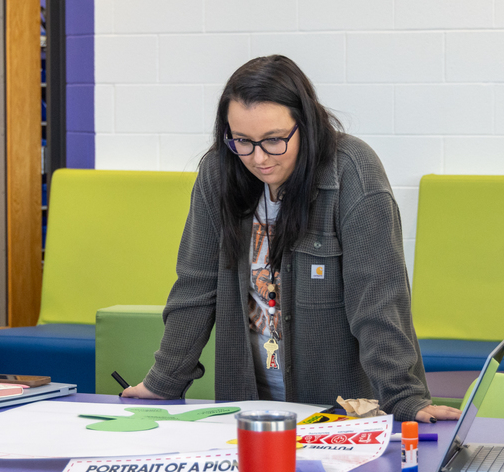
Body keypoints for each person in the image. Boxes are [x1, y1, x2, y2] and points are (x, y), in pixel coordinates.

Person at [123, 55, 456, 423]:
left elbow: (377, 300)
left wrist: (404, 398)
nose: (259, 158)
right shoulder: (219, 173)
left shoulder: (352, 172)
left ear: (306, 123)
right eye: (242, 141)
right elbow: (196, 288)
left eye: (274, 140)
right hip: (249, 405)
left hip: (339, 410)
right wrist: (164, 381)